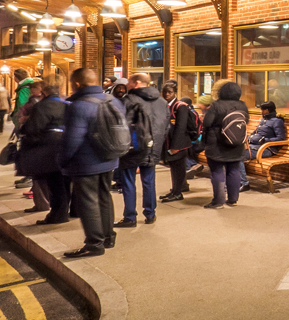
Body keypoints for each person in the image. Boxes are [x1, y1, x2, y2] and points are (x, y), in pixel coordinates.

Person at [60, 68, 121, 258]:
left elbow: (72, 139)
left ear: (77, 84)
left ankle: (94, 244)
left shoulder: (78, 106)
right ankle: (108, 236)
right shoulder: (114, 101)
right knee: (104, 196)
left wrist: (62, 160)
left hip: (86, 162)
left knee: (88, 202)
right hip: (110, 156)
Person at [115, 73, 169, 227]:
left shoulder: (129, 100)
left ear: (137, 83)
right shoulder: (162, 102)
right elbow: (166, 126)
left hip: (133, 147)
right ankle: (150, 213)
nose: (127, 85)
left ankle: (130, 217)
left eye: (130, 82)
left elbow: (122, 124)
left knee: (128, 181)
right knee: (149, 181)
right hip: (152, 146)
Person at [17, 74, 70, 226]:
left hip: (48, 150)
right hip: (66, 147)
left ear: (44, 91)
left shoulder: (41, 106)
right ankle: (66, 211)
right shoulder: (66, 103)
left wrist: (25, 127)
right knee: (65, 182)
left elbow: (33, 129)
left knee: (54, 183)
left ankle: (57, 214)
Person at [201, 79, 247, 209]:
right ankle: (233, 199)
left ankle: (218, 201)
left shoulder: (216, 105)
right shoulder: (242, 105)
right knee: (234, 170)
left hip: (217, 143)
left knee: (217, 171)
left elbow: (207, 123)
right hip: (236, 142)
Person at [160, 81, 200, 203]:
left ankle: (178, 193)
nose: (167, 94)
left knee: (179, 168)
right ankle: (174, 190)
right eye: (165, 92)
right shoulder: (167, 105)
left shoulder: (180, 106)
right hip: (169, 142)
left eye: (170, 92)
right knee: (173, 167)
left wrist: (175, 146)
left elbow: (181, 127)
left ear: (175, 93)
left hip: (179, 144)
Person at [18, 79, 52, 213]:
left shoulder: (38, 105)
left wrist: (24, 121)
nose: (33, 92)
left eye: (35, 89)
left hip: (38, 143)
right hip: (47, 144)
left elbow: (34, 125)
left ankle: (42, 204)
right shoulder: (55, 103)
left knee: (39, 176)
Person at [241, 101, 286, 192]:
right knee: (230, 152)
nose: (260, 111)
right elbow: (256, 132)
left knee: (237, 156)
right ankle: (234, 182)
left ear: (267, 110)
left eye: (262, 109)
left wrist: (265, 141)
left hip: (267, 149)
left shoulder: (277, 121)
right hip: (255, 146)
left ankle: (244, 183)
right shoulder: (264, 119)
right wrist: (248, 138)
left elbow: (281, 138)